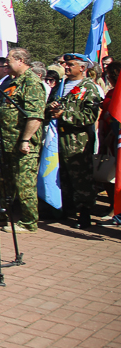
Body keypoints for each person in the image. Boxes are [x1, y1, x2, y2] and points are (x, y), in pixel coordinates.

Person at [0, 48, 46, 233]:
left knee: (24, 183)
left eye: (9, 60)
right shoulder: (13, 82)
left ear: (20, 60)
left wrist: (25, 139)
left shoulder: (31, 82)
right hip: (6, 141)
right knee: (5, 182)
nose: (6, 64)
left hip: (21, 143)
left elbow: (35, 116)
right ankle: (2, 216)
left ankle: (29, 222)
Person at [47, 53, 102, 229]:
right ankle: (64, 208)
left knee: (81, 177)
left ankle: (84, 212)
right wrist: (51, 108)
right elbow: (49, 105)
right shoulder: (60, 86)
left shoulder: (89, 88)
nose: (67, 67)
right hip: (57, 138)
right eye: (66, 64)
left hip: (78, 141)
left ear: (82, 68)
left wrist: (64, 115)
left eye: (71, 64)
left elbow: (90, 116)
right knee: (61, 175)